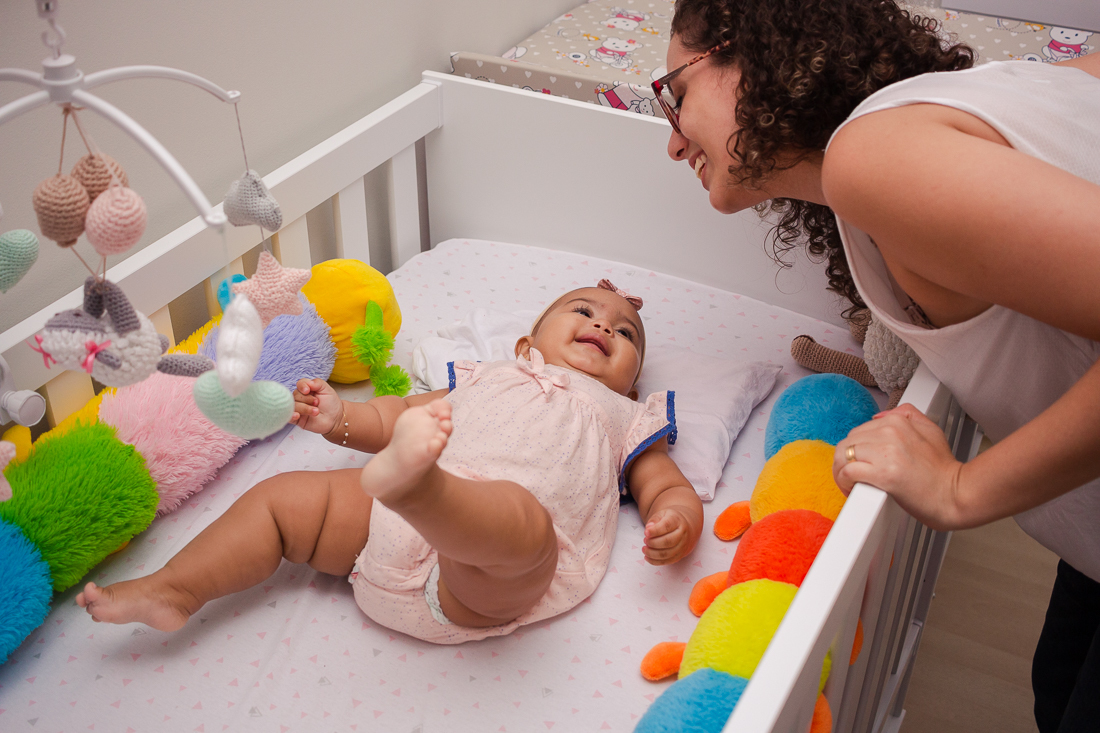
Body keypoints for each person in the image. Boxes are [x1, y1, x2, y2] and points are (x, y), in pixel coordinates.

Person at [655, 1, 1100, 730]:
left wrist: (959, 488)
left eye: (675, 94)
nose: (674, 143)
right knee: (1058, 681)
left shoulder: (874, 159)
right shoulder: (949, 113)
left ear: (753, 55)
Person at [75, 281, 703, 645]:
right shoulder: (487, 375)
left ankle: (421, 490)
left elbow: (665, 488)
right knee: (284, 499)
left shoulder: (624, 416)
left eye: (625, 333)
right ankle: (176, 588)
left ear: (632, 383)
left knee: (521, 519)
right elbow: (399, 412)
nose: (604, 326)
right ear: (524, 344)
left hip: (488, 578)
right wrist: (340, 418)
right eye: (584, 311)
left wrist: (677, 519)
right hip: (381, 531)